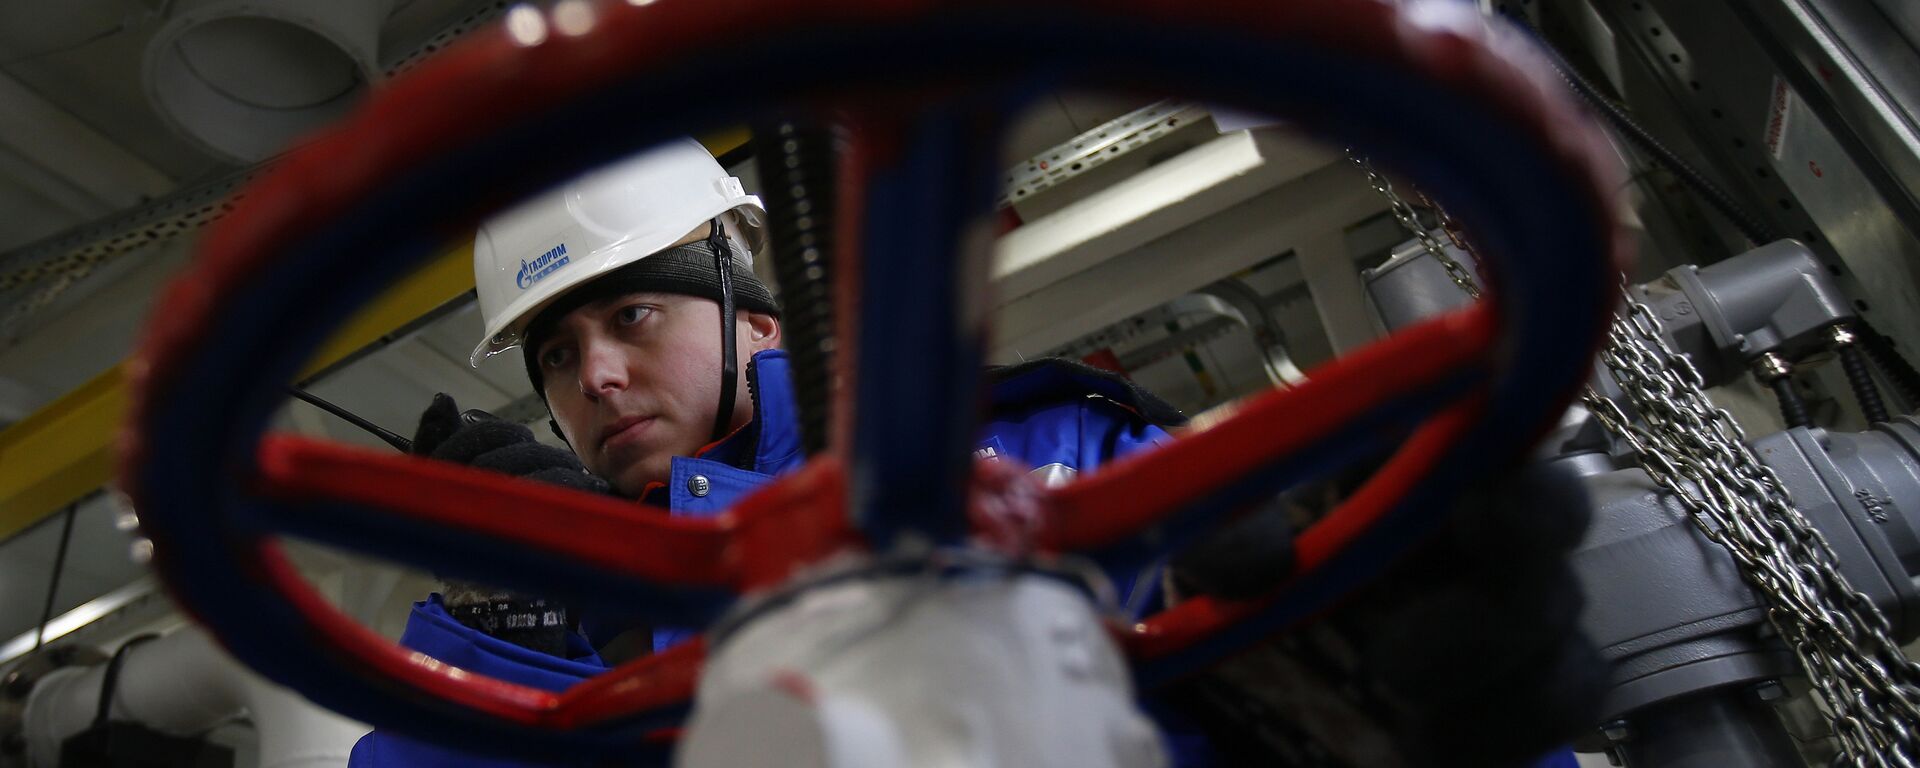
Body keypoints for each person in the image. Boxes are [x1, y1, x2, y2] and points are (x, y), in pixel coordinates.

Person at [347, 138, 1188, 767]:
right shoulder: (582, 630)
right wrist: (501, 638)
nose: (595, 376)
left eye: (632, 315)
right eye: (557, 356)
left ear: (756, 320)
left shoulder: (1032, 443)